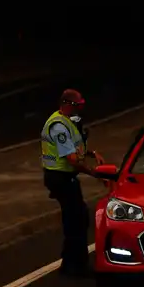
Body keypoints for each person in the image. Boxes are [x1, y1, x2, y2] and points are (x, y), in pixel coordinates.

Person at [40, 89, 105, 276]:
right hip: (60, 178)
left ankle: (71, 262)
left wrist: (91, 153)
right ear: (68, 104)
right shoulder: (58, 126)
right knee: (76, 220)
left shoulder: (66, 121)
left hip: (64, 177)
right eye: (79, 105)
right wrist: (94, 173)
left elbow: (75, 148)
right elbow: (72, 159)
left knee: (77, 218)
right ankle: (74, 266)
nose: (81, 109)